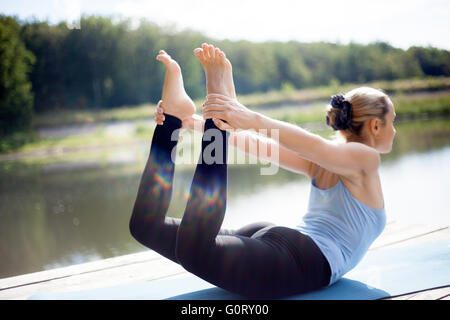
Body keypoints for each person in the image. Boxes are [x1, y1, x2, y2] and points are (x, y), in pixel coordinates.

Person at [130, 43, 396, 298]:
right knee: (193, 251)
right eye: (391, 122)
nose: (393, 130)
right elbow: (299, 146)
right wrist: (216, 120)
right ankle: (215, 115)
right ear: (375, 126)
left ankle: (171, 122)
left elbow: (272, 146)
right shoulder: (366, 160)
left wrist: (181, 123)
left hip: (279, 245)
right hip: (301, 260)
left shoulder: (330, 161)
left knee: (144, 227)